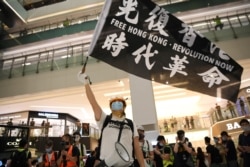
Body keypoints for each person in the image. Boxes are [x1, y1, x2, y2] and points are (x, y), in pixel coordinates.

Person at [79, 72, 145, 167]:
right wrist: (86, 82)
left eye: (120, 103)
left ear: (124, 107)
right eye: (114, 103)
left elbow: (137, 147)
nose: (117, 105)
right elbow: (93, 102)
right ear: (111, 107)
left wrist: (142, 165)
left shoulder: (131, 124)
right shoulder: (104, 119)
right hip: (106, 164)